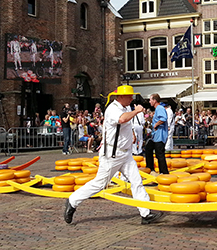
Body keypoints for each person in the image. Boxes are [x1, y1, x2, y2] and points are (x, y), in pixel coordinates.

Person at [65, 85, 163, 225]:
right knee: (99, 184)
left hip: (125, 153)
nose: (132, 98)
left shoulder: (126, 107)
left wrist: (132, 134)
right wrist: (136, 111)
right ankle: (72, 201)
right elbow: (122, 119)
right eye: (129, 96)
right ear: (120, 97)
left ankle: (145, 214)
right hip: (112, 154)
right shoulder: (112, 109)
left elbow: (126, 123)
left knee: (136, 181)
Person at [145, 94, 169, 175]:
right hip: (156, 136)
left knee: (160, 154)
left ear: (155, 100)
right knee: (148, 148)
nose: (149, 101)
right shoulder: (157, 109)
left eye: (150, 100)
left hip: (160, 135)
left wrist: (156, 125)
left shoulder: (160, 108)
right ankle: (150, 168)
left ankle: (164, 172)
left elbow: (163, 118)